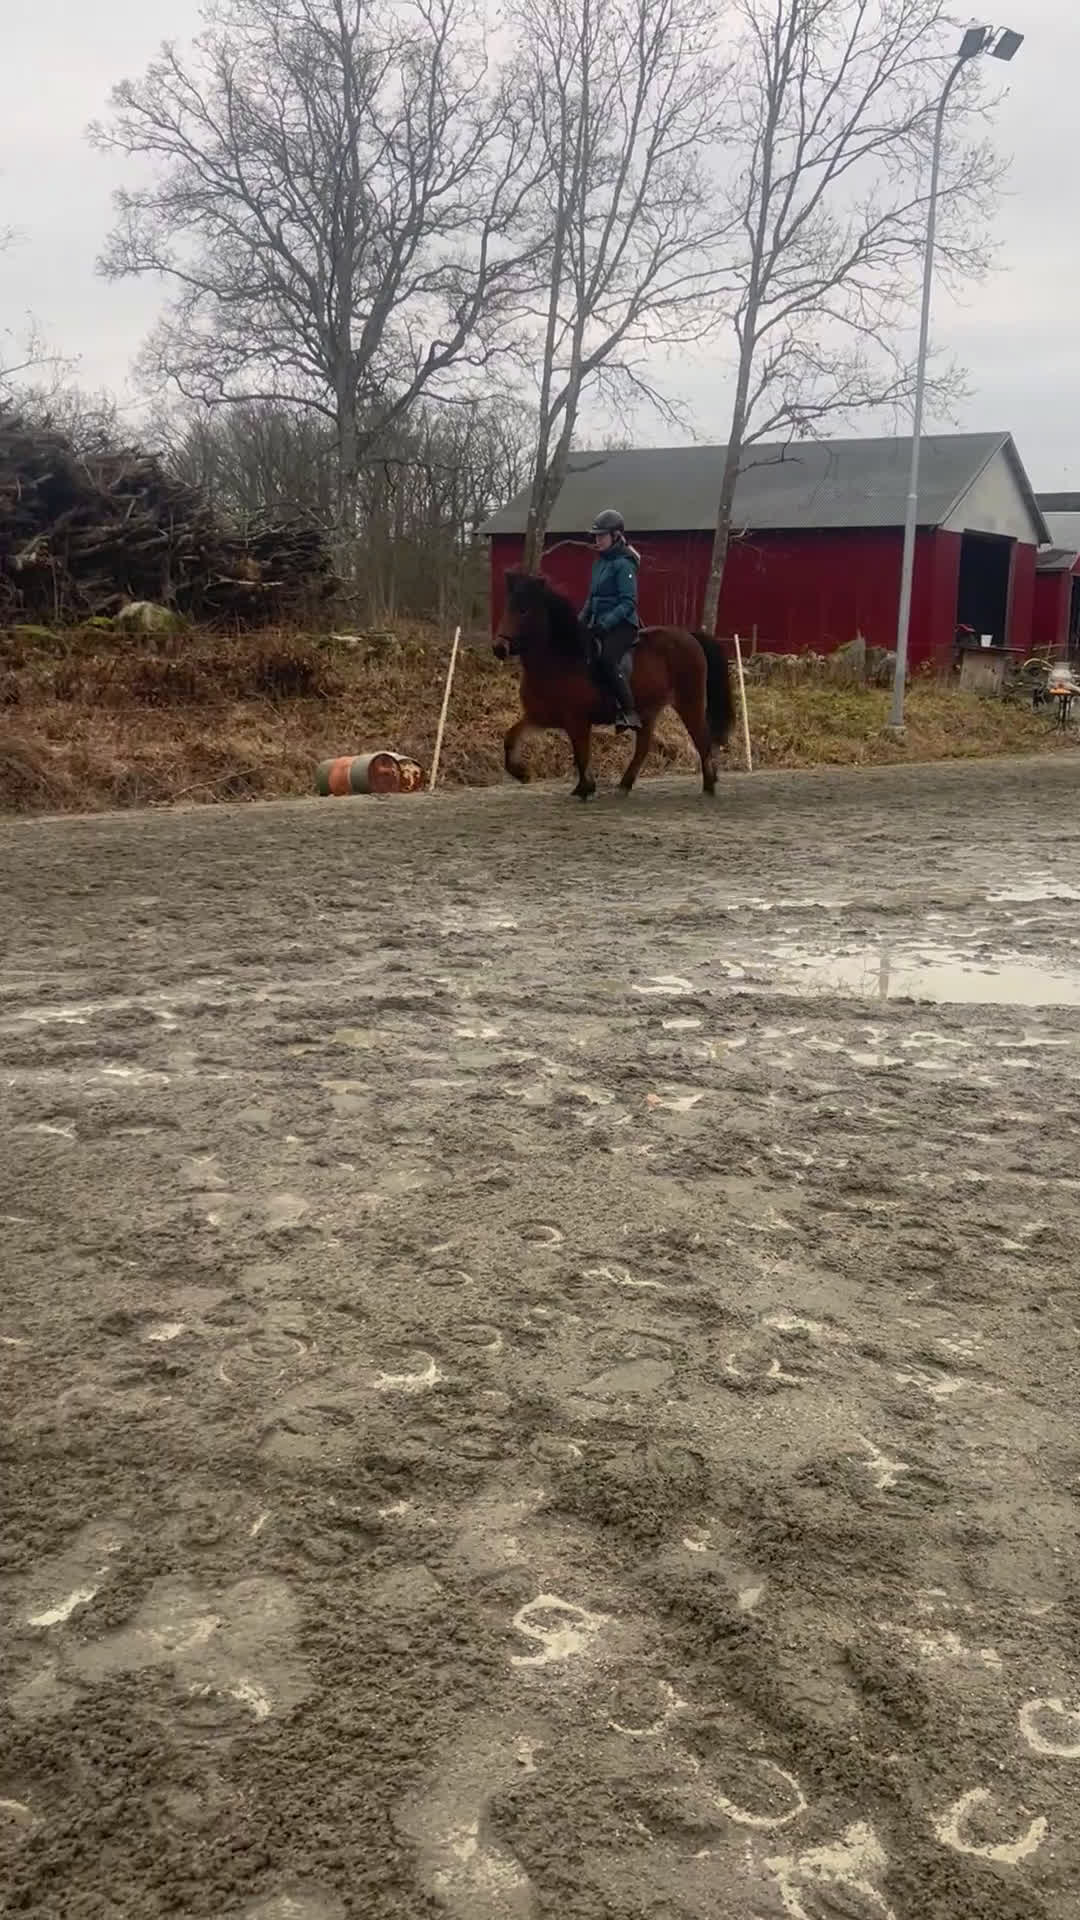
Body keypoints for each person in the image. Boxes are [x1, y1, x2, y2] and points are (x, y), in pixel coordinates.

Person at [580, 508, 641, 730]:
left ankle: (628, 711)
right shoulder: (600, 563)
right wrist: (580, 622)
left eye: (602, 535)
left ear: (615, 536)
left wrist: (604, 625)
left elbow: (628, 602)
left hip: (623, 625)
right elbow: (592, 598)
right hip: (599, 622)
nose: (598, 539)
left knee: (606, 659)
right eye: (596, 536)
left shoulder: (625, 564)